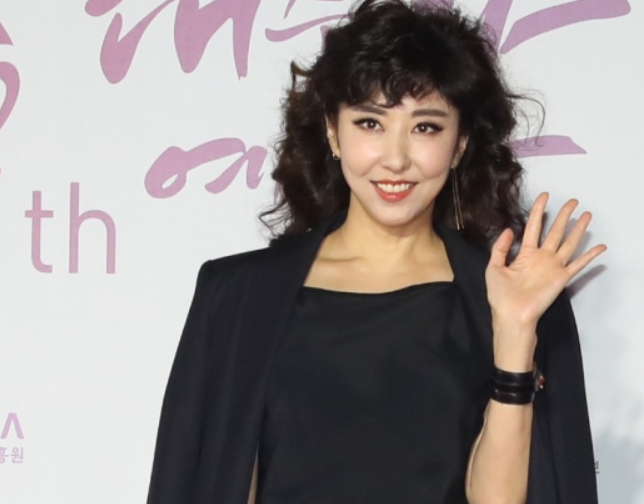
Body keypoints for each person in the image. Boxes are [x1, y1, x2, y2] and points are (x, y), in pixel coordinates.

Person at [146, 1, 606, 503]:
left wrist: (515, 334)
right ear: (332, 131)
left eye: (425, 127)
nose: (395, 159)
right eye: (370, 123)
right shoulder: (238, 297)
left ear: (459, 144)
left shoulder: (510, 300)